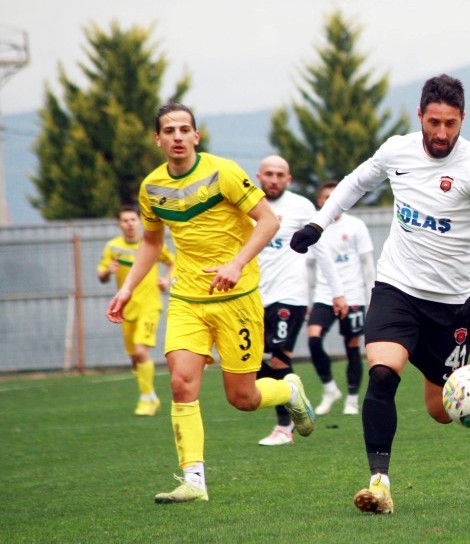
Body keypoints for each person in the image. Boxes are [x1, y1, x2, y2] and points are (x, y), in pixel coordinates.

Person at [290, 74, 470, 515]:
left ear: (463, 120)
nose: (440, 133)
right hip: (396, 289)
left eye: (450, 124)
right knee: (382, 375)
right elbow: (356, 182)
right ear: (419, 115)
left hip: (450, 306)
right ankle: (379, 483)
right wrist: (319, 223)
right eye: (433, 121)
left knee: (441, 410)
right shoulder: (396, 151)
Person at [106, 103, 317, 504]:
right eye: (169, 131)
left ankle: (289, 391)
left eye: (185, 129)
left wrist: (237, 263)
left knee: (244, 399)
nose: (178, 137)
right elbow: (152, 243)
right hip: (187, 297)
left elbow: (269, 221)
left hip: (236, 299)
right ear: (158, 139)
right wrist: (128, 287)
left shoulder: (224, 172)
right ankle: (194, 481)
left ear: (196, 136)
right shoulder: (151, 188)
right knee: (182, 382)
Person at [254, 155, 341, 446]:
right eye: (269, 173)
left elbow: (322, 251)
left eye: (280, 174)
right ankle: (295, 400)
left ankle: (285, 427)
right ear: (259, 176)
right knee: (256, 365)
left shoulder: (301, 206)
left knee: (278, 358)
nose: (274, 179)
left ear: (288, 179)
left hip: (289, 297)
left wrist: (337, 292)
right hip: (253, 298)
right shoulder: (248, 206)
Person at [98, 204, 175, 416]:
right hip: (127, 309)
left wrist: (166, 280)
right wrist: (107, 272)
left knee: (141, 350)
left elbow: (172, 262)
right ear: (119, 224)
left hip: (150, 306)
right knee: (134, 357)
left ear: (140, 221)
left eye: (133, 219)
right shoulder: (113, 247)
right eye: (125, 220)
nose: (130, 224)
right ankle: (149, 395)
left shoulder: (150, 243)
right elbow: (101, 276)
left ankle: (147, 398)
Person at [308, 181, 375, 418]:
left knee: (352, 347)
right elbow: (309, 265)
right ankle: (329, 389)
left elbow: (367, 265)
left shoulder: (356, 226)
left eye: (334, 197)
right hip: (324, 296)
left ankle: (353, 399)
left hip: (353, 295)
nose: (329, 201)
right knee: (313, 340)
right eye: (325, 197)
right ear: (319, 201)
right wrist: (309, 298)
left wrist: (370, 298)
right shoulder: (314, 227)